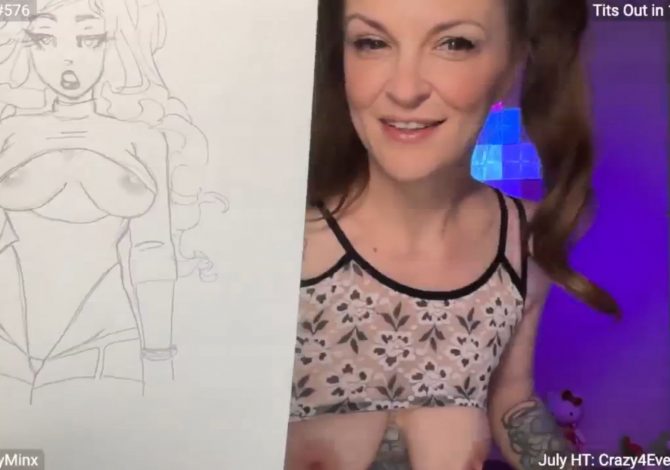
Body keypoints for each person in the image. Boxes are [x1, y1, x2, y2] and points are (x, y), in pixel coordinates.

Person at [285, 0, 619, 469]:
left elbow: (511, 401)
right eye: (372, 42)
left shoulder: (523, 241)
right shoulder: (283, 237)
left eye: (454, 44)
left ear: (512, 64)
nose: (404, 90)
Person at [0, 0, 225, 404]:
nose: (67, 58)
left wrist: (158, 359)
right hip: (7, 335)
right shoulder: (8, 131)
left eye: (90, 39)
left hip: (105, 335)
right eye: (44, 39)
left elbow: (152, 252)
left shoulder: (144, 140)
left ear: (119, 42)